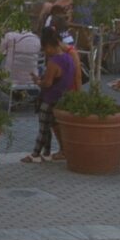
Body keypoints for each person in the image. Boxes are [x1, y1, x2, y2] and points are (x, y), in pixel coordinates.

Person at [25, 24, 79, 162]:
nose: (45, 52)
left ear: (49, 46)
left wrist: (38, 82)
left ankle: (36, 154)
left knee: (43, 127)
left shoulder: (54, 61)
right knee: (50, 126)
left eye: (44, 49)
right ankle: (47, 152)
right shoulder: (69, 57)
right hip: (61, 97)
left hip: (50, 98)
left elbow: (48, 83)